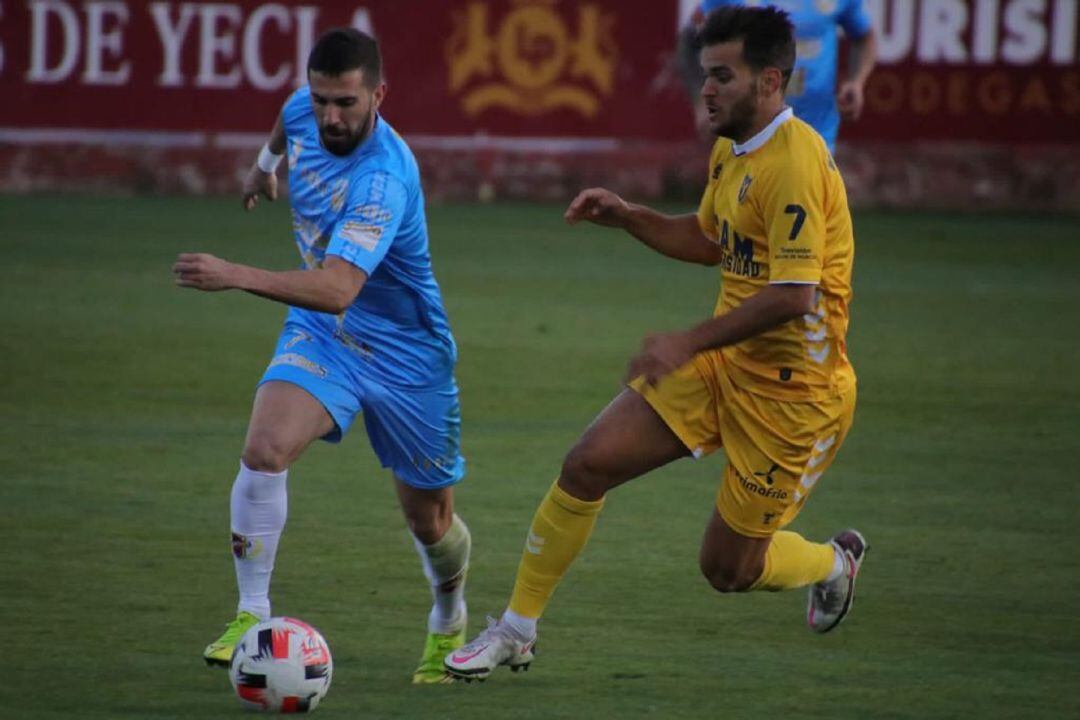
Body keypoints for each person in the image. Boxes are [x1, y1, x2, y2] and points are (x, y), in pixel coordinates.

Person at [445, 6, 866, 681]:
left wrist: (686, 341)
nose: (706, 89)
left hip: (797, 399)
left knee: (728, 571)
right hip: (723, 367)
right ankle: (517, 630)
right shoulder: (733, 147)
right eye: (705, 75)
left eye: (722, 76)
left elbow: (796, 296)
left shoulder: (796, 163)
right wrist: (629, 217)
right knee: (587, 463)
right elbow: (710, 240)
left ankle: (833, 563)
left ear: (770, 81)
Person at [174, 28, 471, 684]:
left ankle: (449, 615)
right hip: (324, 335)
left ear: (379, 95)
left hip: (406, 354)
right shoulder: (303, 107)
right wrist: (263, 165)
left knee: (430, 520)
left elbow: (339, 288)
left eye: (346, 103)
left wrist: (235, 273)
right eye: (322, 99)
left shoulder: (384, 178)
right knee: (265, 448)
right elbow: (286, 120)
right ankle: (253, 613)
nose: (331, 116)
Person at [677, 0, 876, 151]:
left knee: (804, 202)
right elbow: (690, 38)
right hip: (747, 130)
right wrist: (701, 104)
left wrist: (857, 82)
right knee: (739, 203)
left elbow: (864, 36)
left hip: (815, 131)